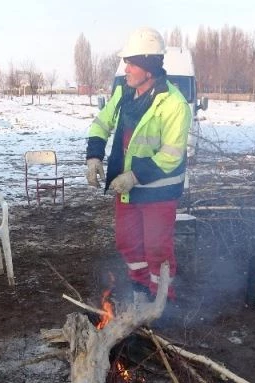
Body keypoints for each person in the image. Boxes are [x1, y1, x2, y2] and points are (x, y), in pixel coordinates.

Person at [85, 27, 191, 300]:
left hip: (159, 191)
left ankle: (162, 301)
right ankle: (140, 290)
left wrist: (133, 176)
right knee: (128, 243)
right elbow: (101, 124)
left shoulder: (174, 104)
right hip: (128, 189)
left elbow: (171, 155)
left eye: (131, 62)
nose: (126, 68)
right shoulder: (123, 93)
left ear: (148, 66)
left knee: (157, 248)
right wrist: (94, 156)